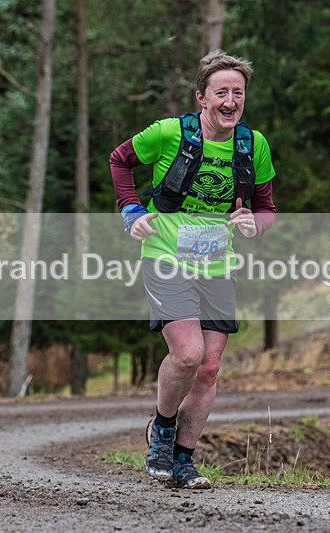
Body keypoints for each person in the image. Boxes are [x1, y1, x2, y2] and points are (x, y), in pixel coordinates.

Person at [109, 49, 276, 489]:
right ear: (201, 98)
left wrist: (254, 225)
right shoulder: (169, 133)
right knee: (187, 354)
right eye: (221, 92)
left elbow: (266, 208)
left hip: (217, 264)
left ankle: (184, 459)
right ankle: (162, 430)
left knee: (209, 367)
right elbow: (119, 160)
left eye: (237, 93)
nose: (230, 101)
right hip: (165, 257)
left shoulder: (252, 145)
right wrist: (131, 211)